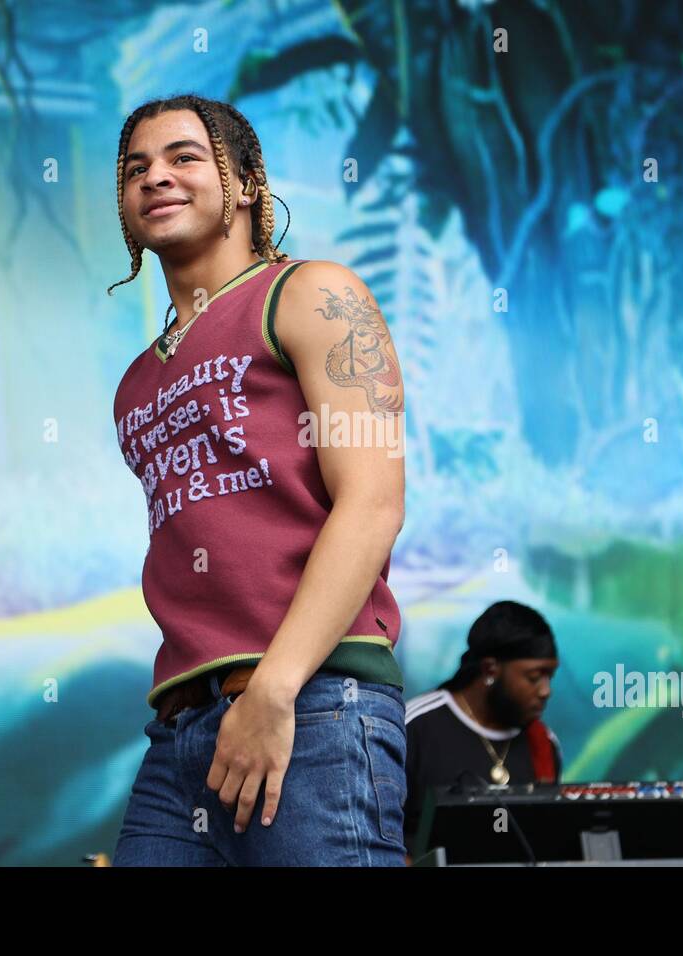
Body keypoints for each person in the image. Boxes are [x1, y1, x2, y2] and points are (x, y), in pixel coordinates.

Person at [108, 94, 409, 866]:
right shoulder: (138, 381)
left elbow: (372, 506)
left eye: (183, 157)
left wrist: (273, 692)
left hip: (311, 708)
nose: (155, 177)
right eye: (135, 167)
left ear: (245, 183)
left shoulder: (312, 294)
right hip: (179, 733)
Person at [403, 601, 563, 859]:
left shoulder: (544, 743)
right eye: (534, 677)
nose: (546, 690)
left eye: (550, 677)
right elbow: (375, 835)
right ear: (490, 670)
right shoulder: (415, 726)